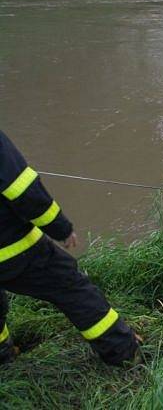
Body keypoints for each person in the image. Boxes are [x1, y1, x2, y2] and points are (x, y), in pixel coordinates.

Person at [0, 130, 141, 367]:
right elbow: (24, 191)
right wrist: (61, 228)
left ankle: (3, 356)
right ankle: (124, 352)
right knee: (72, 288)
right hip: (13, 251)